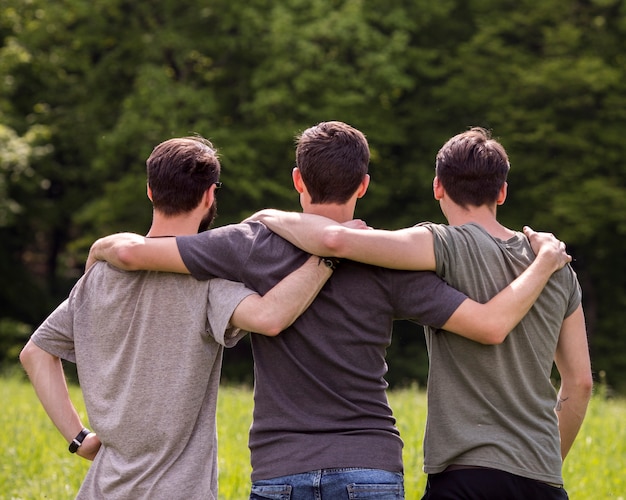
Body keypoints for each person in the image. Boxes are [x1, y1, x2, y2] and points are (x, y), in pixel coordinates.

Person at [86, 122, 571, 500]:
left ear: (298, 179)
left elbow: (136, 253)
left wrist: (101, 247)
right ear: (363, 185)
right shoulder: (386, 260)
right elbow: (484, 323)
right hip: (371, 466)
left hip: (280, 468)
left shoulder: (251, 242)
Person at [245, 127, 593, 499]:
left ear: (437, 187)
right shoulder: (557, 266)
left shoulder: (441, 245)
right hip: (541, 476)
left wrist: (269, 217)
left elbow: (337, 240)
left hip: (465, 474)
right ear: (502, 192)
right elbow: (581, 384)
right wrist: (540, 465)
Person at [19, 136, 336, 499]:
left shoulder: (100, 277)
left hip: (101, 489)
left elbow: (36, 353)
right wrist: (327, 257)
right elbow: (270, 317)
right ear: (208, 197)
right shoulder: (206, 281)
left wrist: (79, 439)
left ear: (151, 192)